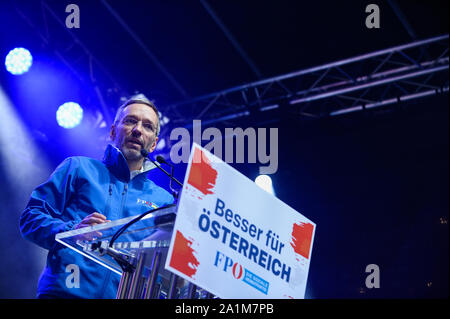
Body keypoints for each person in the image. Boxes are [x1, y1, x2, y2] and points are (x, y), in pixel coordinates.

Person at [19, 96, 174, 298]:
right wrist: (71, 231)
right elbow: (30, 218)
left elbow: (162, 267)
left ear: (153, 144)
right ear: (112, 131)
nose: (137, 130)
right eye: (130, 121)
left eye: (147, 126)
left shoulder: (163, 200)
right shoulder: (78, 168)